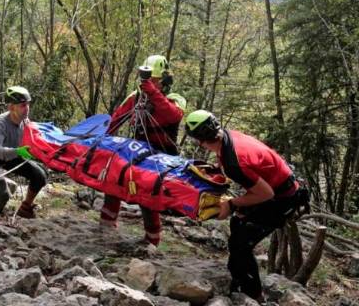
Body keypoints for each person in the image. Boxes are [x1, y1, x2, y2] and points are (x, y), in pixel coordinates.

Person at [184, 109, 306, 301]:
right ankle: (238, 279)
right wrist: (216, 170)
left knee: (241, 242)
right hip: (279, 189)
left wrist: (231, 204)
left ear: (200, 140)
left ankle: (252, 296)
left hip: (282, 198)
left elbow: (266, 193)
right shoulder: (228, 136)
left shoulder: (235, 162)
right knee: (237, 225)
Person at [100, 55, 186, 246]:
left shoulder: (175, 99)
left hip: (162, 158)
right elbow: (116, 119)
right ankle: (106, 225)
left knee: (148, 198)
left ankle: (151, 241)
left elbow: (173, 116)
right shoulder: (136, 97)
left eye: (154, 80)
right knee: (114, 180)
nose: (148, 83)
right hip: (138, 151)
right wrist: (101, 139)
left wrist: (154, 93)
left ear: (164, 80)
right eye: (147, 79)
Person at [0, 86, 47, 222]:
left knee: (40, 175)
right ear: (11, 107)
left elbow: (33, 138)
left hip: (10, 155)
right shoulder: (0, 123)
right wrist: (18, 151)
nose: (26, 108)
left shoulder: (25, 121)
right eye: (22, 105)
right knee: (3, 194)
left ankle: (25, 208)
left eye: (27, 104)